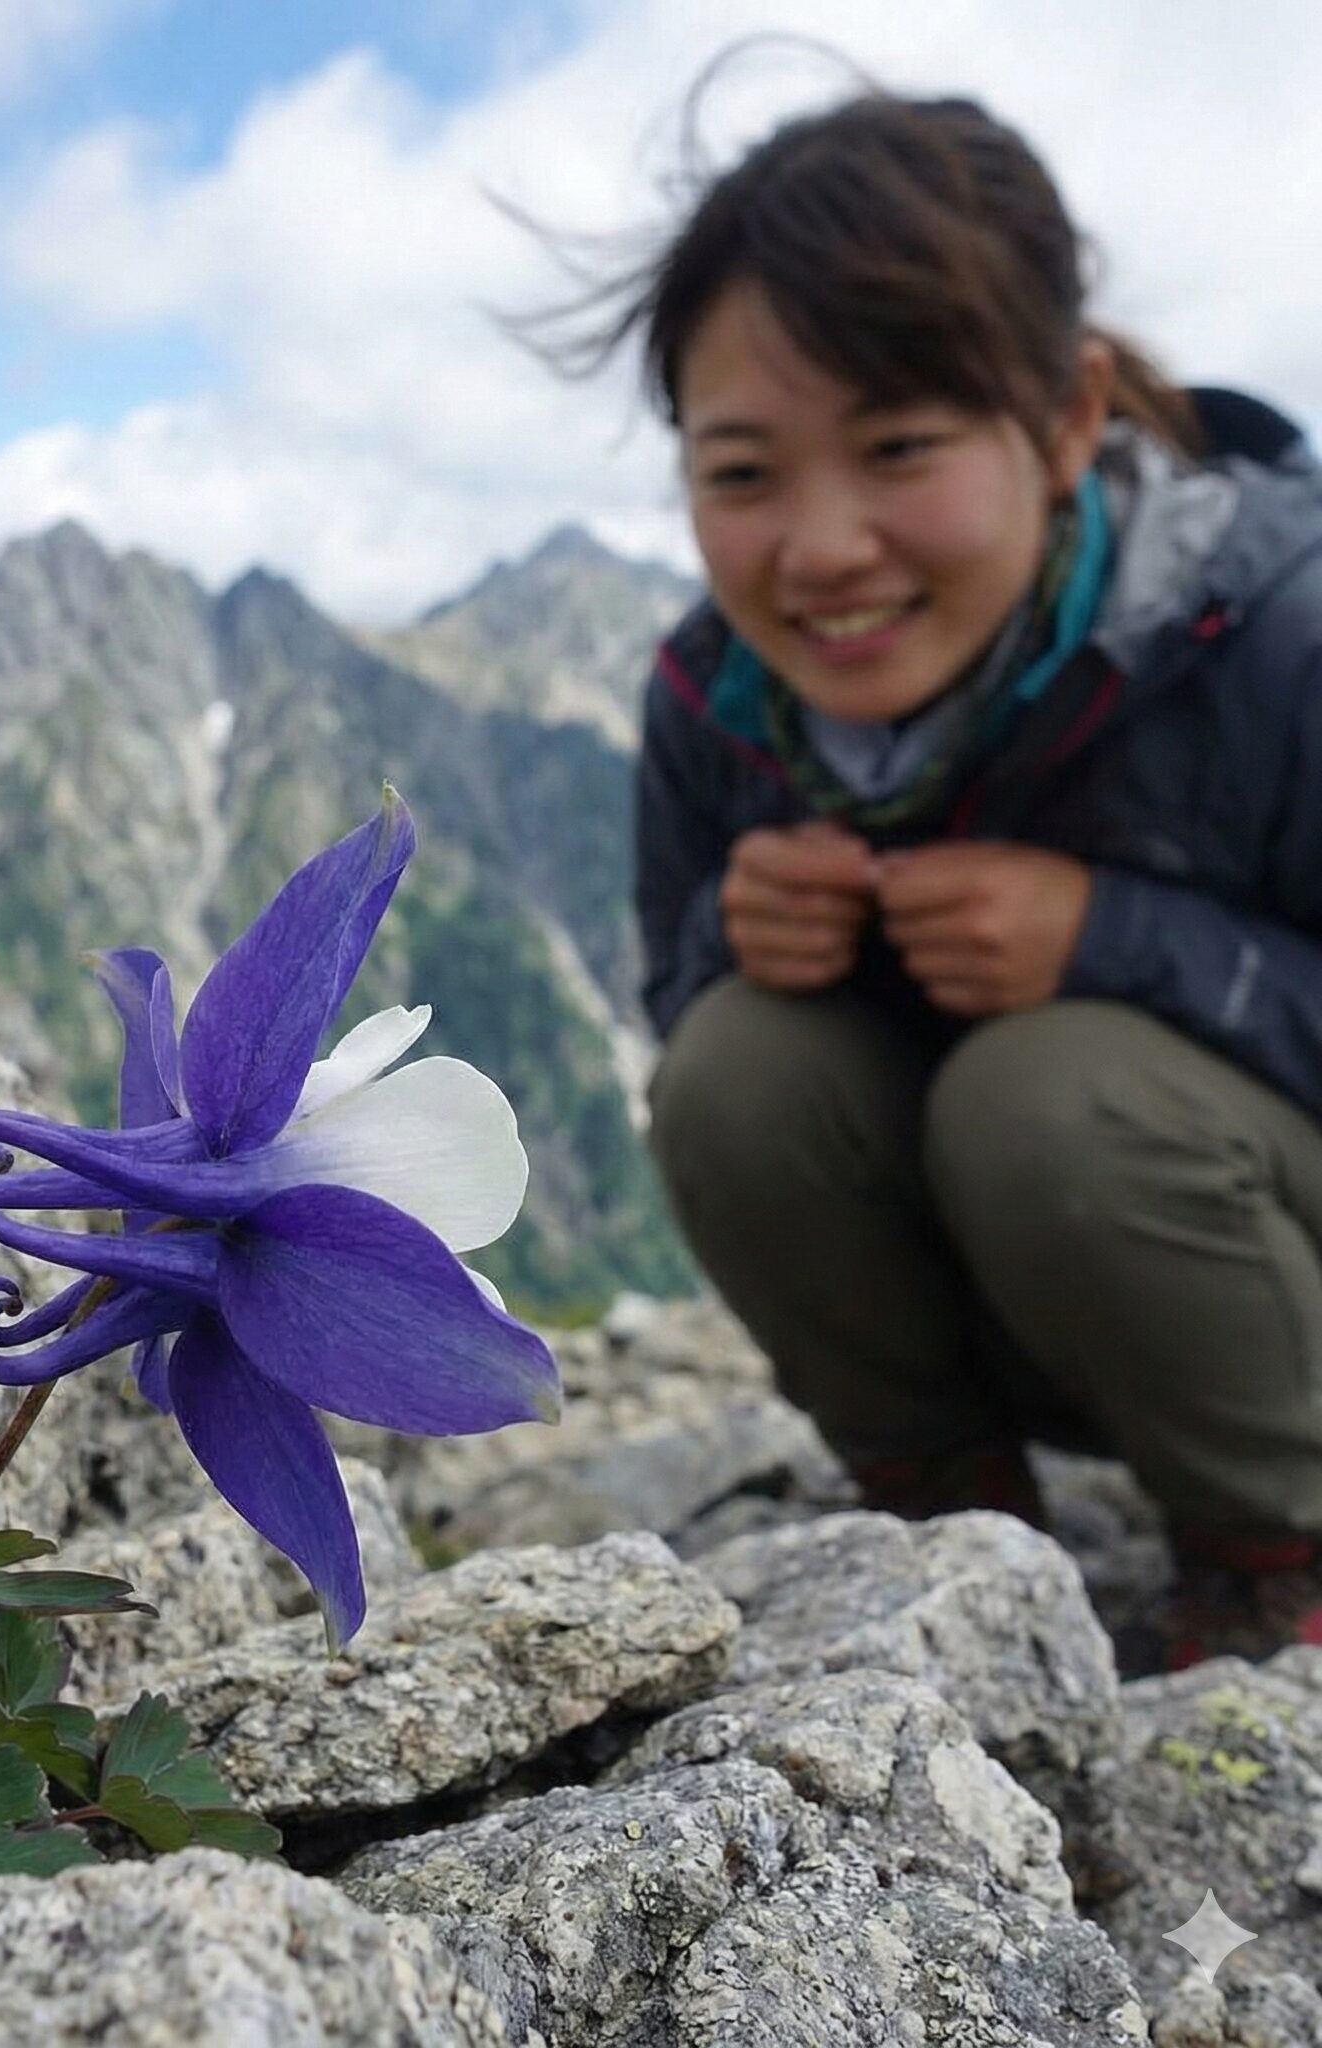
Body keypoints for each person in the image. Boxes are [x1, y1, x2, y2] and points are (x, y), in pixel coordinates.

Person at [607, 86, 1322, 1672]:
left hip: (1267, 1277)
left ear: (1068, 419)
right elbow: (677, 1019)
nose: (821, 548)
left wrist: (1117, 938)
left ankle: (1282, 1561)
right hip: (1066, 1296)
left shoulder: (1282, 633)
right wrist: (736, 941)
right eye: (743, 475)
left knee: (1055, 1093)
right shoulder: (712, 703)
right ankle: (958, 1538)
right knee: (730, 1068)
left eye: (899, 448)